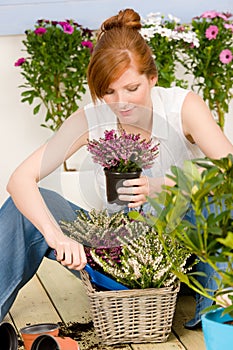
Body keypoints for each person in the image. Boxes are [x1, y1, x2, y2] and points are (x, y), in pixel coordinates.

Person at [1, 8, 233, 328]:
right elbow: (19, 180)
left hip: (189, 259)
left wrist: (164, 185)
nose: (121, 102)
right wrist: (56, 237)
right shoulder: (90, 119)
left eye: (132, 89)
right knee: (21, 206)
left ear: (152, 79)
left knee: (215, 197)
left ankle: (216, 320)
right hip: (123, 256)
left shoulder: (183, 108)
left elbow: (229, 174)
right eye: (108, 91)